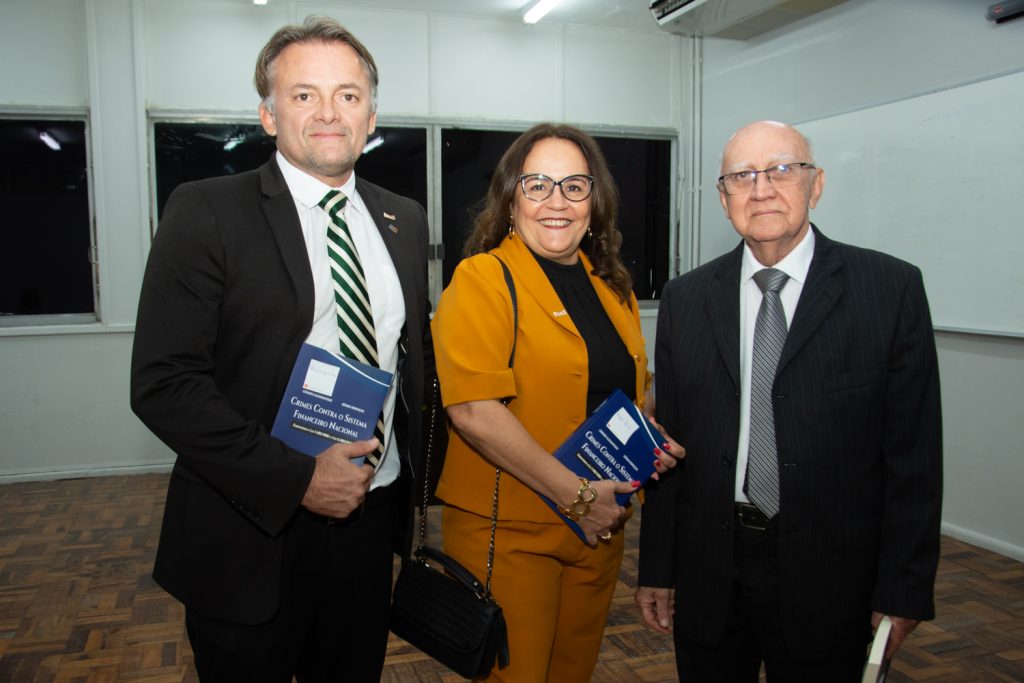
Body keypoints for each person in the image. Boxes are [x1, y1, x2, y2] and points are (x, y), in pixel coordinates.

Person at [130, 16, 432, 682]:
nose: (328, 112)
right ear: (268, 115)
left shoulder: (404, 218)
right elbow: (164, 383)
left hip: (368, 516)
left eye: (347, 95)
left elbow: (410, 361)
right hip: (249, 526)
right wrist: (299, 479)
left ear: (371, 116)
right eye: (303, 95)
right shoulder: (207, 211)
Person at [635, 120, 942, 681]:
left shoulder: (889, 289)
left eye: (782, 170)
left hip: (832, 575)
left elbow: (913, 459)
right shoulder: (686, 298)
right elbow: (668, 450)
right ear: (724, 197)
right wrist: (657, 567)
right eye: (742, 176)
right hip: (710, 570)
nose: (761, 190)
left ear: (815, 184)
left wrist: (904, 588)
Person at [430, 123, 681, 683]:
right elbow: (472, 409)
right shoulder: (483, 278)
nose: (556, 201)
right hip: (510, 529)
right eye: (538, 184)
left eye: (574, 186)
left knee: (573, 673)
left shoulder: (612, 287)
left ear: (594, 203)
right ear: (511, 199)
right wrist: (577, 496)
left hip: (599, 526)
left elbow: (623, 393)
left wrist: (650, 435)